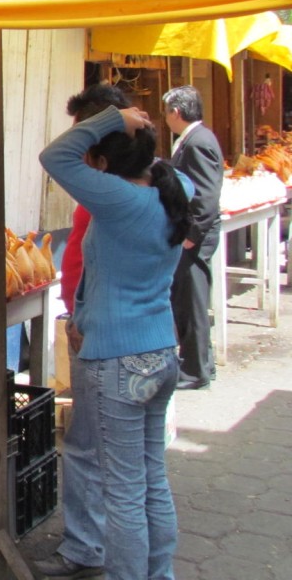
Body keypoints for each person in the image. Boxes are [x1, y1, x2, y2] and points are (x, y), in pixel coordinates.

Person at [39, 105, 191, 580]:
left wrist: (111, 117)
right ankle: (158, 574)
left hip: (118, 363)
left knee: (123, 492)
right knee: (150, 482)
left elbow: (55, 156)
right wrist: (132, 127)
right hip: (162, 352)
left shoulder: (118, 200)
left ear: (104, 165)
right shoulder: (175, 189)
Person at [37, 83, 132, 579]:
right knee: (126, 462)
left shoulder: (114, 194)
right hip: (115, 333)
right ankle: (124, 556)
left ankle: (90, 550)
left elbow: (53, 156)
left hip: (103, 338)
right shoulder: (137, 191)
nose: (73, 138)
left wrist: (81, 317)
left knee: (96, 453)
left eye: (82, 130)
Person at [162, 85, 223, 391]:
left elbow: (205, 195)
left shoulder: (197, 142)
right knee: (189, 300)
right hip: (193, 234)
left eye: (167, 112)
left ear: (176, 112)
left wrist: (191, 234)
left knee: (191, 303)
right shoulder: (194, 139)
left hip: (195, 236)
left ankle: (195, 370)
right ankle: (202, 364)